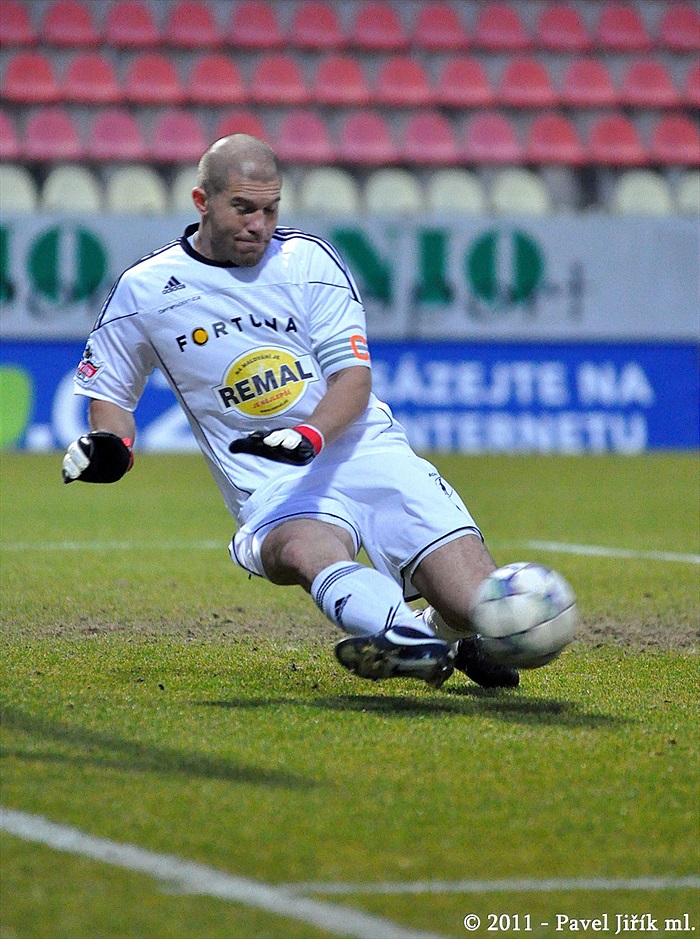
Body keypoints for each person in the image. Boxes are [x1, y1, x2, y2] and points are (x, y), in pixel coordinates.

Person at [62, 134, 519, 691]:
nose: (259, 223)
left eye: (271, 208)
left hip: (363, 451)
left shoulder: (308, 261)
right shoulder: (145, 290)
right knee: (306, 547)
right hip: (272, 484)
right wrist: (111, 448)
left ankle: (439, 629)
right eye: (243, 208)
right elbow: (111, 397)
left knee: (490, 615)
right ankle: (405, 639)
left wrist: (309, 434)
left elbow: (353, 379)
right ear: (202, 201)